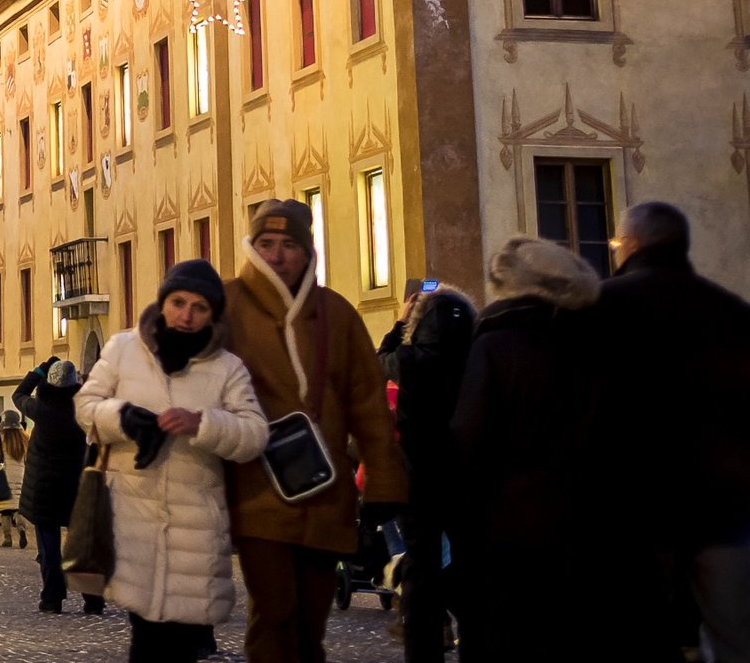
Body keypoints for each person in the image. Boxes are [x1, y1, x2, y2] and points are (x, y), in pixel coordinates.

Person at [225, 198, 407, 663]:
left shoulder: (337, 314)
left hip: (326, 493)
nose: (277, 255)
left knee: (311, 624)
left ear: (307, 252)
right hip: (256, 492)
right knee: (274, 611)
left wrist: (383, 480)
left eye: (289, 244)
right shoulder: (227, 305)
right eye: (266, 243)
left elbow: (368, 404)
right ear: (252, 247)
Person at [450, 236, 647, 661]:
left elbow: (468, 441)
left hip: (510, 529)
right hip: (594, 526)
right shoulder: (601, 346)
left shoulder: (494, 346)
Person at [75, 259, 269, 663]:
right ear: (163, 302)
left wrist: (204, 423)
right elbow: (85, 406)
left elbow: (254, 434)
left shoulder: (227, 368)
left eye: (199, 307)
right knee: (145, 640)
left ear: (212, 314)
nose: (186, 315)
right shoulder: (123, 349)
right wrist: (121, 417)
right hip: (133, 525)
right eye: (178, 302)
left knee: (186, 644)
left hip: (195, 533)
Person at [591, 202, 750, 661]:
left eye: (617, 242)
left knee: (637, 632)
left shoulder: (605, 306)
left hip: (636, 502)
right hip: (725, 506)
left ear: (633, 244)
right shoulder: (730, 309)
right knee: (733, 633)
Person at [378, 282, 476, 663]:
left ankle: (424, 650)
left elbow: (380, 357)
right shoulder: (473, 352)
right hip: (462, 468)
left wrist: (401, 323)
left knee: (422, 561)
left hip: (417, 468)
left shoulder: (409, 358)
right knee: (466, 559)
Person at [15, 357, 104, 615]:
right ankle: (93, 599)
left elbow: (18, 393)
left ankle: (52, 599)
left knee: (49, 548)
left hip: (45, 488)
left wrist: (39, 370)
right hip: (77, 486)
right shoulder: (82, 410)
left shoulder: (40, 408)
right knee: (83, 546)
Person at [0, 410, 30, 547]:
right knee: (18, 506)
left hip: (4, 475)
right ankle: (21, 529)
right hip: (21, 475)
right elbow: (29, 458)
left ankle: (7, 538)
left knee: (4, 508)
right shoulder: (24, 437)